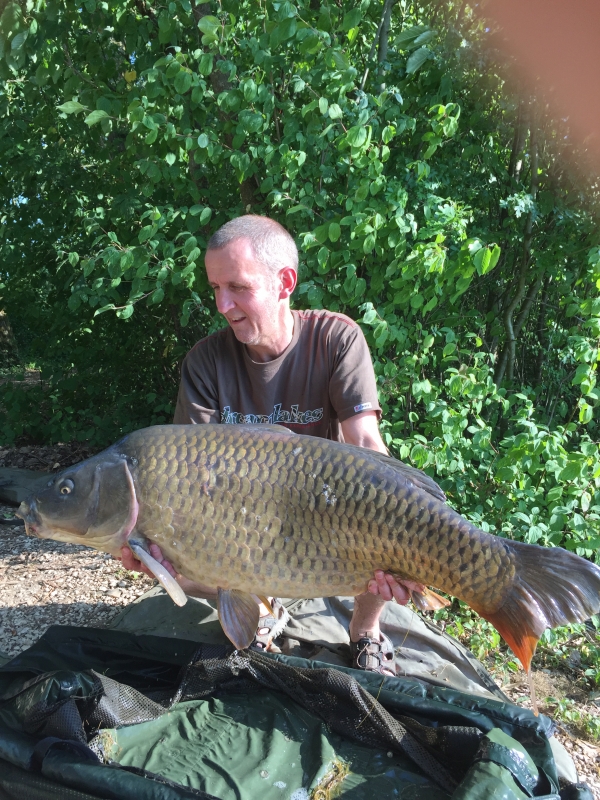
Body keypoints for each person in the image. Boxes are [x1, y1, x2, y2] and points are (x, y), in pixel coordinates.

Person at [120, 214, 424, 675]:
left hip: (327, 512)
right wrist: (153, 542)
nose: (223, 304)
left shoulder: (336, 338)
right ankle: (263, 612)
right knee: (171, 551)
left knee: (378, 515)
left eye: (237, 287)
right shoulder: (206, 361)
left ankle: (365, 633)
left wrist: (405, 530)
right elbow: (191, 480)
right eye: (215, 288)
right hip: (241, 518)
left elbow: (366, 442)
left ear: (285, 282)